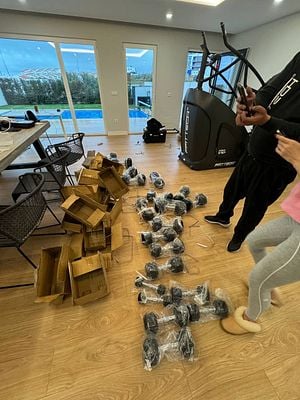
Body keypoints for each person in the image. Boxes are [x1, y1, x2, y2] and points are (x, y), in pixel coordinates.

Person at [204, 52, 300, 252]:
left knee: (254, 207)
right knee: (232, 190)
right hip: (253, 149)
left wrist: (267, 121)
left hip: (277, 164)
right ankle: (223, 216)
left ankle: (240, 236)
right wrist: (254, 101)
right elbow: (273, 87)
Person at [220, 134, 300, 334]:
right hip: (296, 216)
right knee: (255, 240)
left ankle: (251, 317)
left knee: (257, 278)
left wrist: (298, 160)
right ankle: (269, 286)